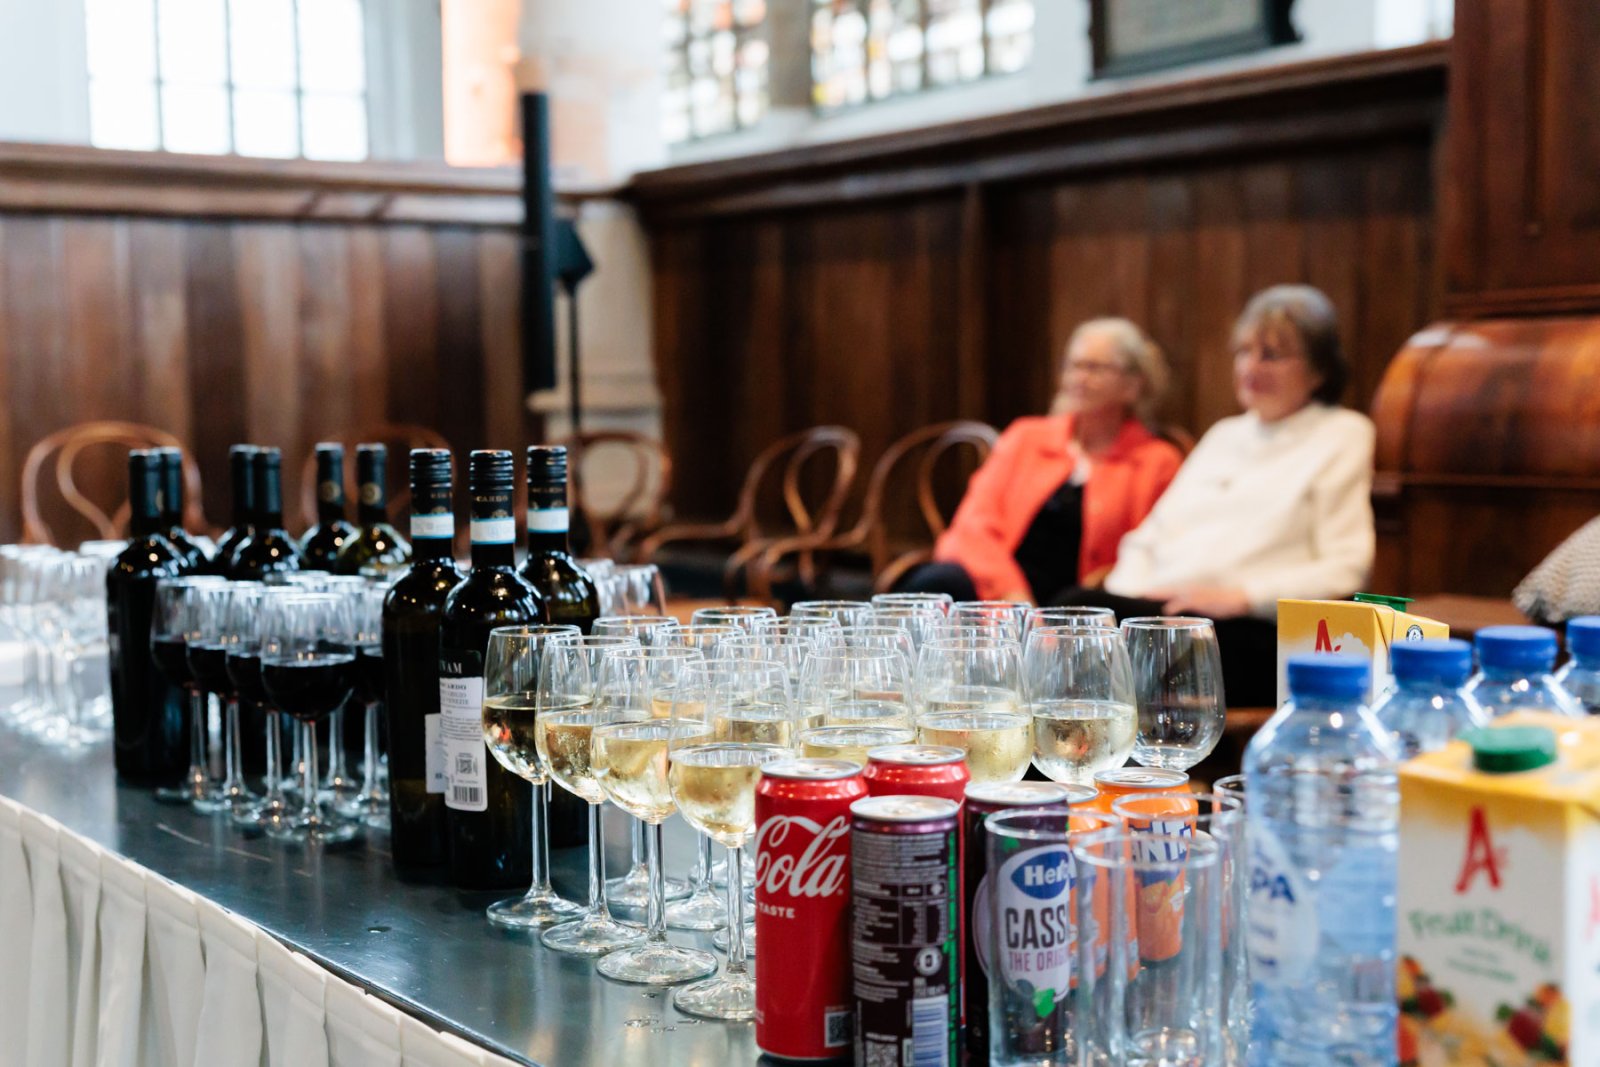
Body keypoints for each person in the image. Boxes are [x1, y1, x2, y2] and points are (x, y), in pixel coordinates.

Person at [1062, 284, 1376, 707]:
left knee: (1142, 653)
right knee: (1074, 611)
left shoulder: (1342, 433)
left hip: (1251, 624)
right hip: (1169, 611)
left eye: (1272, 354)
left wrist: (1243, 596)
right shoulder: (1224, 434)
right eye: (1244, 351)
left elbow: (1346, 568)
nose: (1251, 366)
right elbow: (1146, 540)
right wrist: (1141, 599)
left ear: (1319, 369)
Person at [898, 318, 1184, 604]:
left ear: (1133, 384)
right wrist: (1011, 594)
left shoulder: (1157, 461)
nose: (1079, 377)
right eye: (1072, 365)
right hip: (999, 590)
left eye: (1094, 368)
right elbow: (973, 527)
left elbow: (1151, 553)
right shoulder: (1026, 437)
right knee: (936, 583)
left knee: (1075, 603)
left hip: (1078, 600)